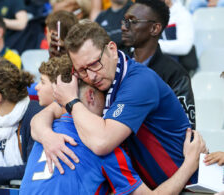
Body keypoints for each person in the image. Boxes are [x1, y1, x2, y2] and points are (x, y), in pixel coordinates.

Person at [30, 20, 205, 189]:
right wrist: (48, 137)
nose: (91, 76)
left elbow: (101, 142)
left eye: (94, 64)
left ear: (112, 50)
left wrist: (71, 101)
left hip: (188, 185)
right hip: (152, 187)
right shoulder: (96, 79)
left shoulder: (140, 82)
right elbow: (39, 119)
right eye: (82, 70)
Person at [121, 0, 195, 128]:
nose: (123, 27)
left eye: (133, 21)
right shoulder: (118, 65)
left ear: (155, 28)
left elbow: (187, 130)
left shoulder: (175, 74)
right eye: (125, 20)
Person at [159, 0, 198, 74]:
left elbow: (184, 47)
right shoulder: (149, 14)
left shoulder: (182, 14)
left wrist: (155, 45)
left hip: (177, 68)